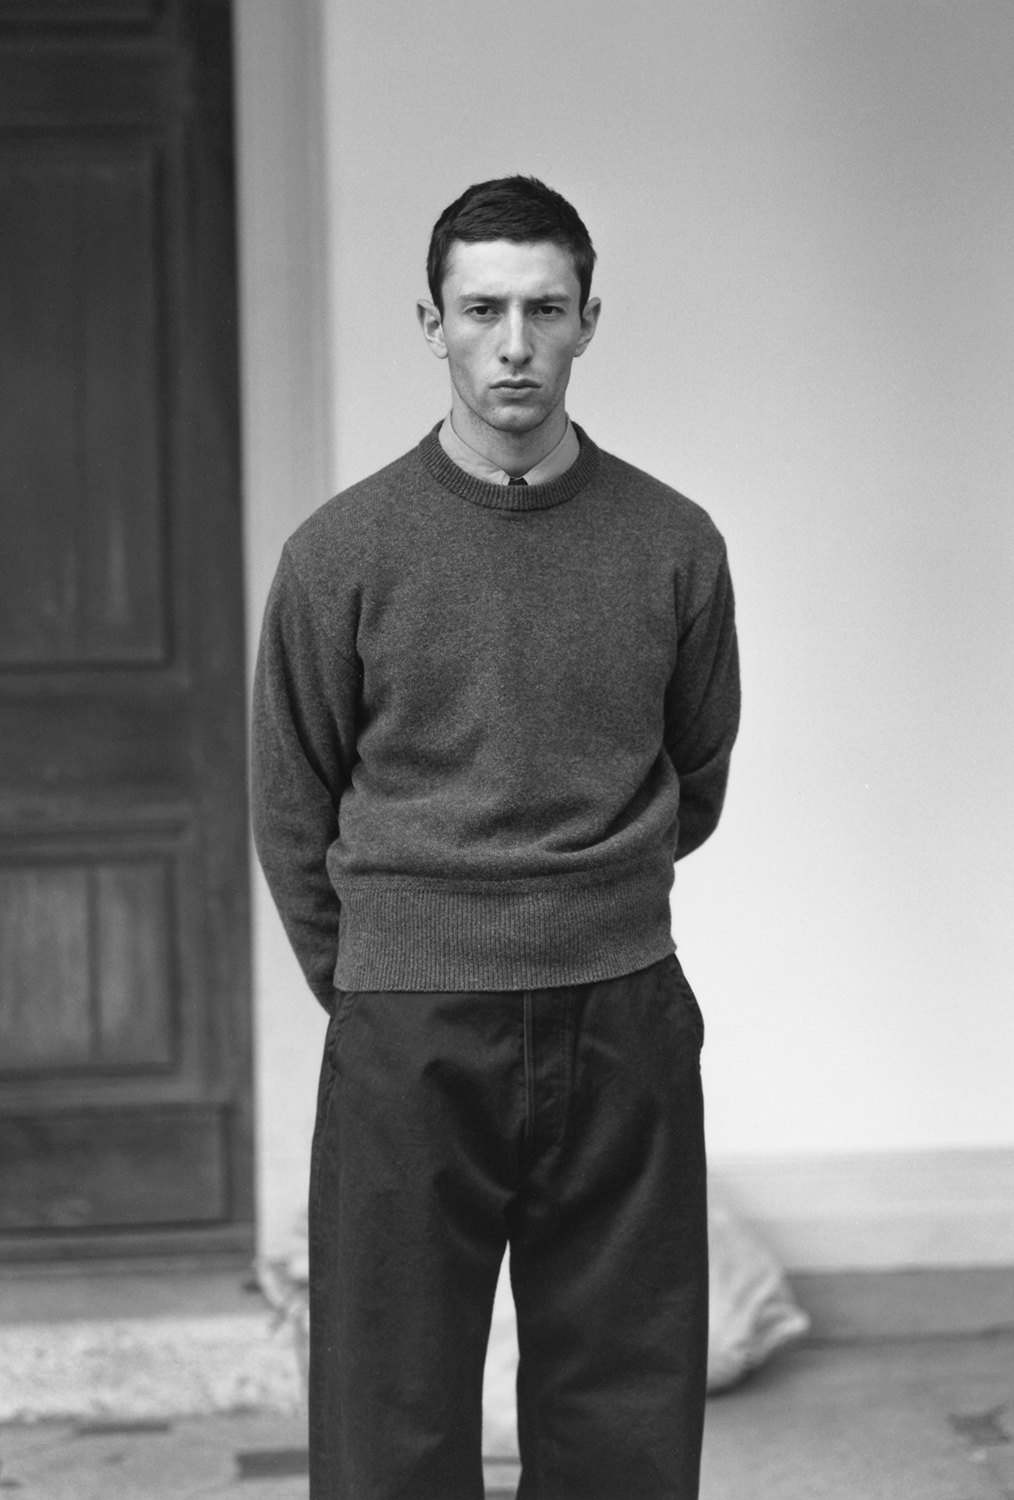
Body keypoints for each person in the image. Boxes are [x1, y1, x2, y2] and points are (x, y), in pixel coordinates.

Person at [252, 175, 740, 1500]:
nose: (513, 344)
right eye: (481, 310)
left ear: (588, 322)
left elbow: (695, 770)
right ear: (432, 324)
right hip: (410, 1025)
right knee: (390, 1407)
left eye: (543, 309)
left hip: (620, 1008)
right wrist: (380, 977)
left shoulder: (672, 544)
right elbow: (292, 802)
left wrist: (588, 908)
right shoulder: (340, 554)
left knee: (623, 1405)